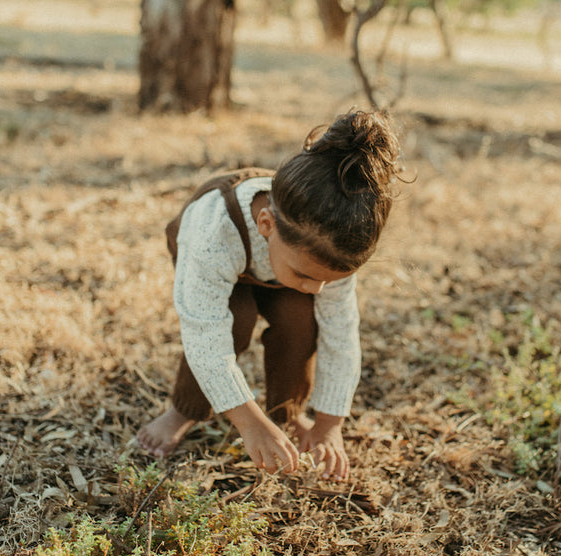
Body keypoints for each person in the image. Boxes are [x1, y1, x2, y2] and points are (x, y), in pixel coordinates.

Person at [137, 110, 400, 481]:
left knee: (302, 320)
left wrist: (330, 422)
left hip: (277, 266)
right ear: (266, 225)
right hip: (217, 257)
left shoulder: (328, 247)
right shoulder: (212, 232)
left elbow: (341, 334)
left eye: (330, 281)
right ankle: (184, 410)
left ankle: (288, 414)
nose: (317, 289)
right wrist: (249, 424)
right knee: (235, 323)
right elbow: (204, 334)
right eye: (308, 277)